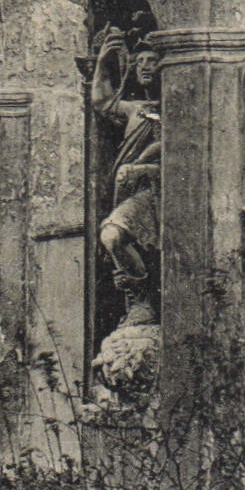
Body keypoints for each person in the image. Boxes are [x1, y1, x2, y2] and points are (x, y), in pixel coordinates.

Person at [90, 27, 161, 325]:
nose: (145, 66)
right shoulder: (136, 109)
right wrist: (102, 63)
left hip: (157, 191)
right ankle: (138, 296)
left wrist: (142, 166)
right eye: (140, 60)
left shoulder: (175, 105)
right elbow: (101, 101)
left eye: (153, 61)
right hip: (131, 191)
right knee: (111, 236)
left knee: (113, 235)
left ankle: (144, 299)